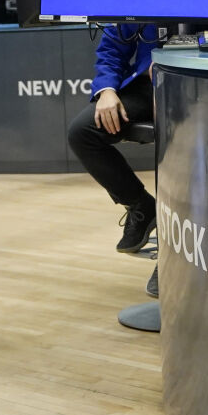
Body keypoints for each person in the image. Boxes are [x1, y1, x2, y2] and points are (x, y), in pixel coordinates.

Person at [67, 22, 162, 252]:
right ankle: (140, 205)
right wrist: (107, 89)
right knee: (82, 133)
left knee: (183, 137)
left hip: (196, 82)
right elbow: (112, 48)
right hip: (146, 86)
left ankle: (174, 260)